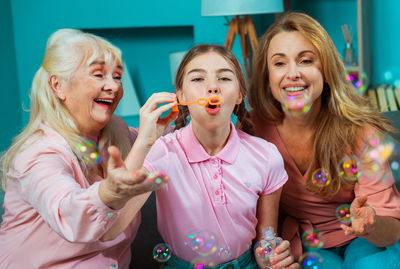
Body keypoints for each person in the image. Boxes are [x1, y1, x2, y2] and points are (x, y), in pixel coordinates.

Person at [107, 44, 298, 269]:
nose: (212, 87)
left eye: (224, 79)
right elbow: (113, 227)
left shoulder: (266, 156)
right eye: (198, 79)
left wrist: (272, 259)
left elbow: (266, 237)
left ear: (239, 95)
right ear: (181, 95)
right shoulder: (162, 151)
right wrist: (145, 142)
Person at [0, 29, 172, 268]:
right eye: (99, 74)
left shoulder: (116, 131)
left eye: (117, 76)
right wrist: (109, 193)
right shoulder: (39, 153)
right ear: (58, 86)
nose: (112, 86)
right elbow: (70, 216)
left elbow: (155, 140)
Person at [247, 12, 400, 268]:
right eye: (279, 63)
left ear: (327, 70)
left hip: (366, 240)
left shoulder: (362, 132)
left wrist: (370, 223)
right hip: (304, 242)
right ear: (266, 77)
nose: (293, 73)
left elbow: (393, 231)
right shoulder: (252, 130)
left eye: (306, 61)